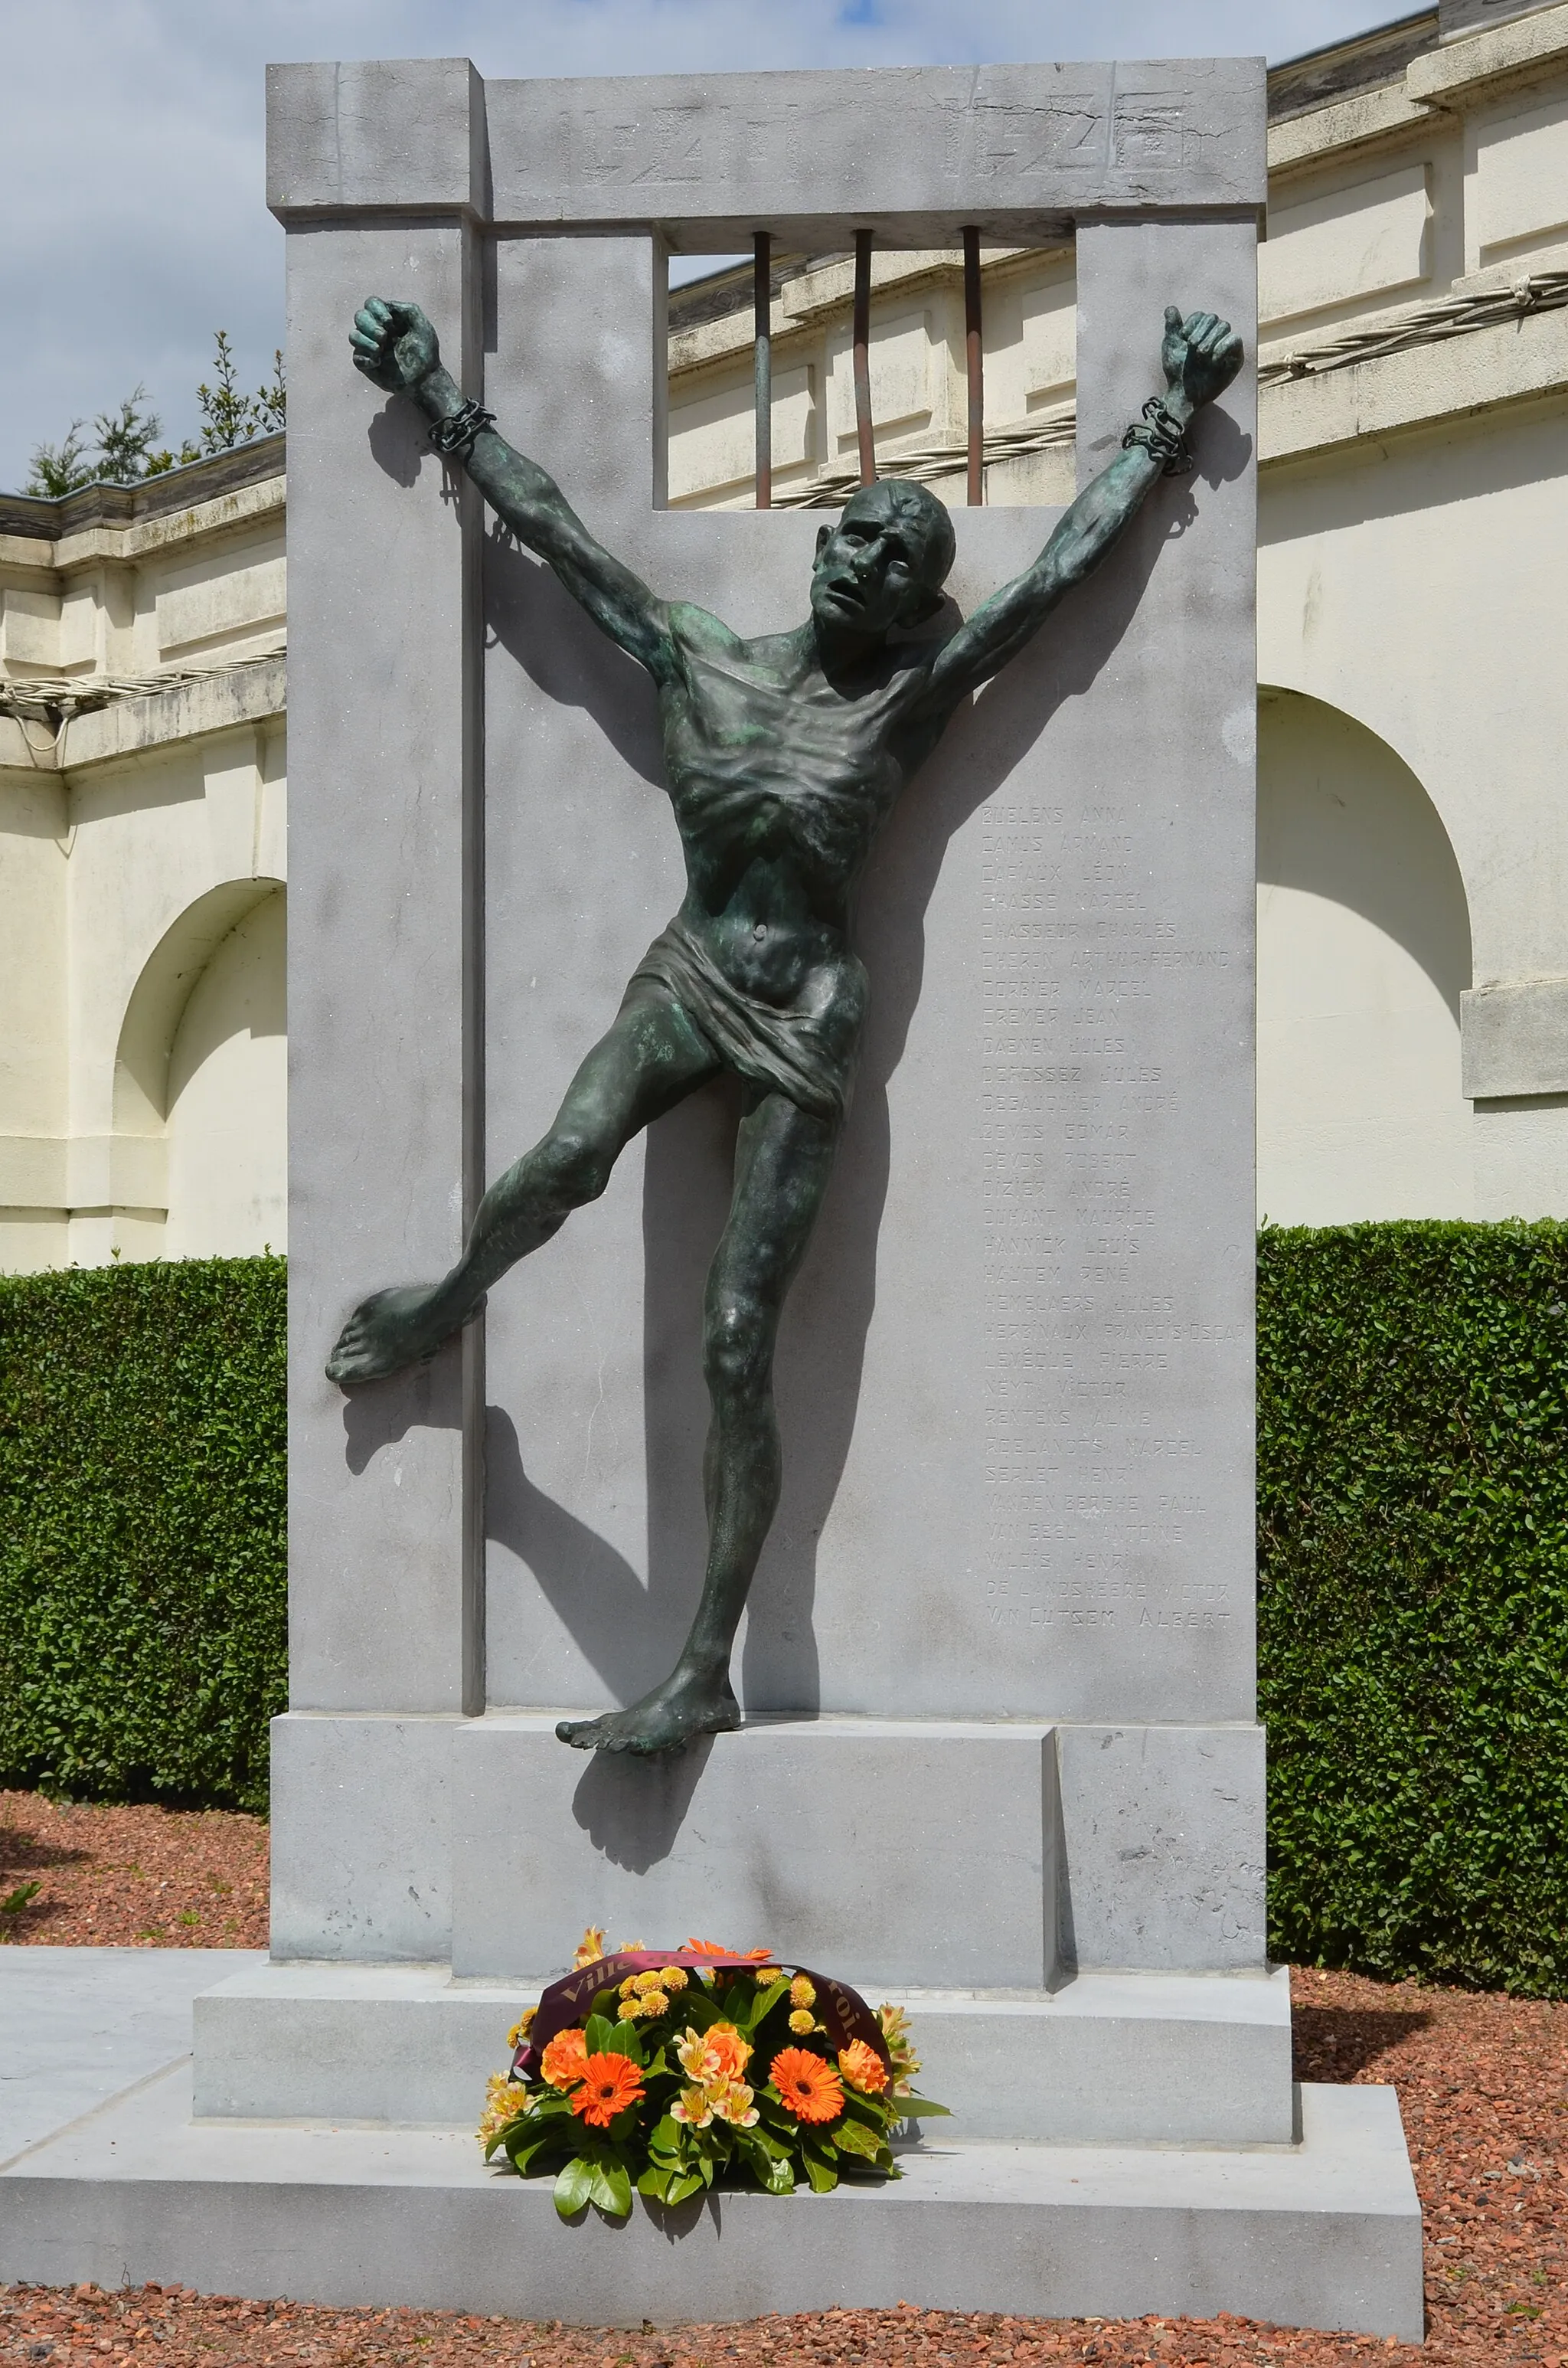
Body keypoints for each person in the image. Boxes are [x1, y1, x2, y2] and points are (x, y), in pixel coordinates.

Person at [328, 293, 1243, 1756]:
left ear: (914, 603)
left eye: (903, 553)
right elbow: (559, 540)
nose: (868, 555)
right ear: (822, 546)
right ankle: (448, 1306)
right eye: (858, 530)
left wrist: (1161, 426)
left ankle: (700, 1669)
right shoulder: (698, 655)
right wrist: (438, 391)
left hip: (807, 1013)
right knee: (560, 1162)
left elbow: (1055, 582)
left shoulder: (908, 700)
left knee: (739, 1339)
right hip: (691, 972)